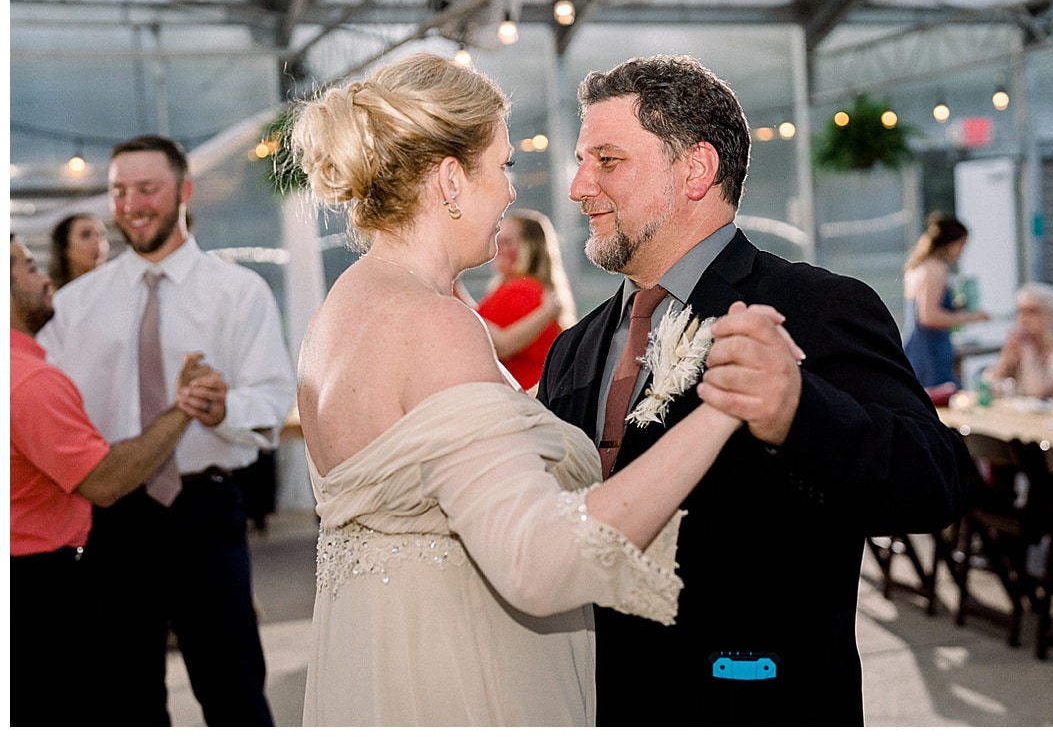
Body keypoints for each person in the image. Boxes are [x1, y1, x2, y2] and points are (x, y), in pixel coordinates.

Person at [288, 53, 784, 726]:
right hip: (463, 679)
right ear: (450, 180)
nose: (512, 191)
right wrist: (724, 405)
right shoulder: (434, 322)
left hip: (386, 665)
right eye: (504, 165)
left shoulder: (339, 311)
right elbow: (537, 561)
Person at [536, 54, 972, 725]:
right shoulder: (575, 346)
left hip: (750, 703)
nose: (577, 185)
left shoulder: (816, 305)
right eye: (581, 160)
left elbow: (934, 480)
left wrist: (800, 412)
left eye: (606, 160)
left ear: (696, 170)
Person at [37, 134, 296, 726]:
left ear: (183, 191)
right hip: (112, 518)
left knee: (234, 693)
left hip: (205, 508)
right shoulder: (76, 305)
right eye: (119, 192)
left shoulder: (238, 293)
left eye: (146, 189)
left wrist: (221, 407)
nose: (131, 205)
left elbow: (273, 397)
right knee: (126, 699)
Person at [9, 234, 221, 726]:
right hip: (40, 588)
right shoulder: (30, 382)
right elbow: (104, 479)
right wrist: (183, 408)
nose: (45, 280)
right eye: (27, 266)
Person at [471, 207, 576, 389]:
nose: (498, 248)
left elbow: (492, 340)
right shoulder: (536, 291)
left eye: (506, 241)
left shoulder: (522, 291)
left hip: (521, 400)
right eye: (498, 240)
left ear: (530, 247)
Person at [901, 212, 990, 389]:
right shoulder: (935, 269)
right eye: (961, 245)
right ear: (951, 244)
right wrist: (971, 317)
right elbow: (928, 316)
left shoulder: (918, 267)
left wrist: (953, 308)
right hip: (930, 352)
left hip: (917, 346)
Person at [983, 281, 1053, 398]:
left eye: (1033, 311)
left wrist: (1028, 352)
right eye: (1020, 312)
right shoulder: (1018, 344)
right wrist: (1005, 357)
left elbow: (1038, 393)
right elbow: (987, 389)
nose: (1024, 319)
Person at [48, 211, 110, 288]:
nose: (97, 241)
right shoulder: (50, 296)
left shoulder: (118, 288)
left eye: (102, 234)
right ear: (65, 247)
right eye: (86, 235)